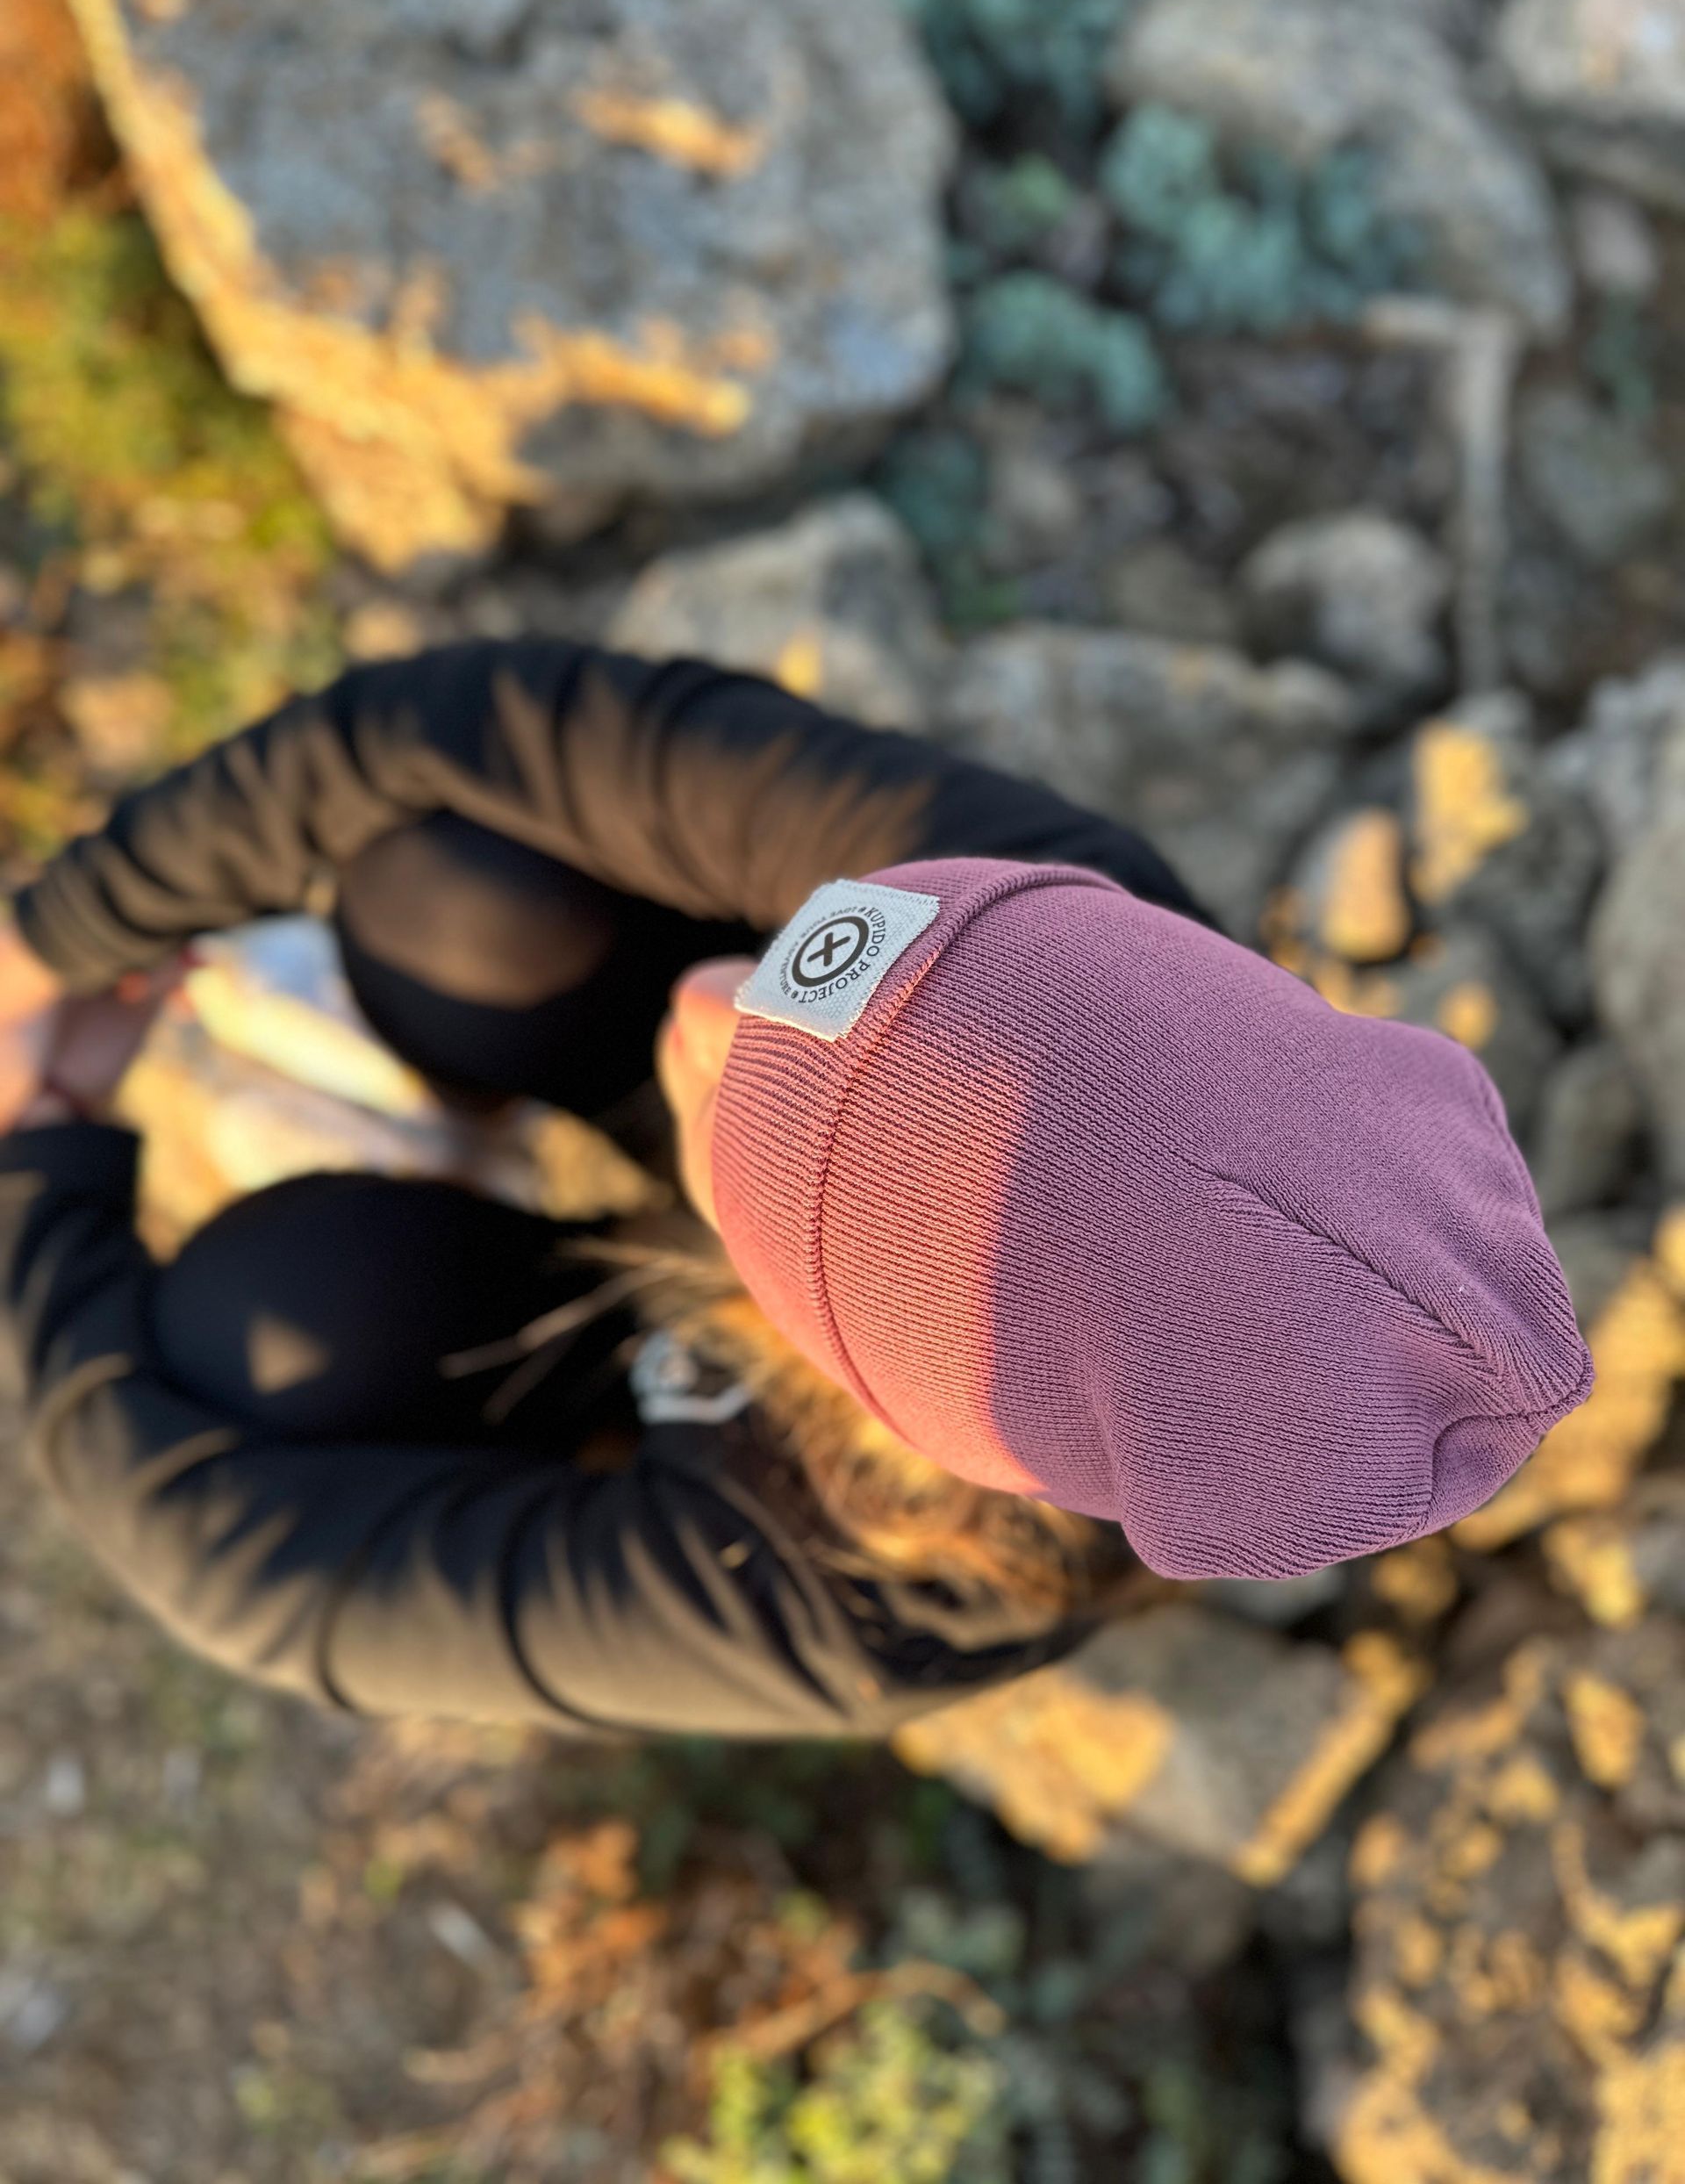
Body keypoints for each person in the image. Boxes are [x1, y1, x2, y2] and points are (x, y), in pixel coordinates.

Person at [0, 639, 1592, 1740]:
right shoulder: (1064, 949)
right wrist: (54, 936)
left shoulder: (845, 1592)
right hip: (830, 1278)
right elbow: (475, 719)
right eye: (809, 975)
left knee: (265, 1336)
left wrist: (40, 1168)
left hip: (706, 1404)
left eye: (758, 1092)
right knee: (454, 882)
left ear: (854, 1370)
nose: (708, 992)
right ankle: (580, 1122)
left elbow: (244, 1570)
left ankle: (533, 1245)